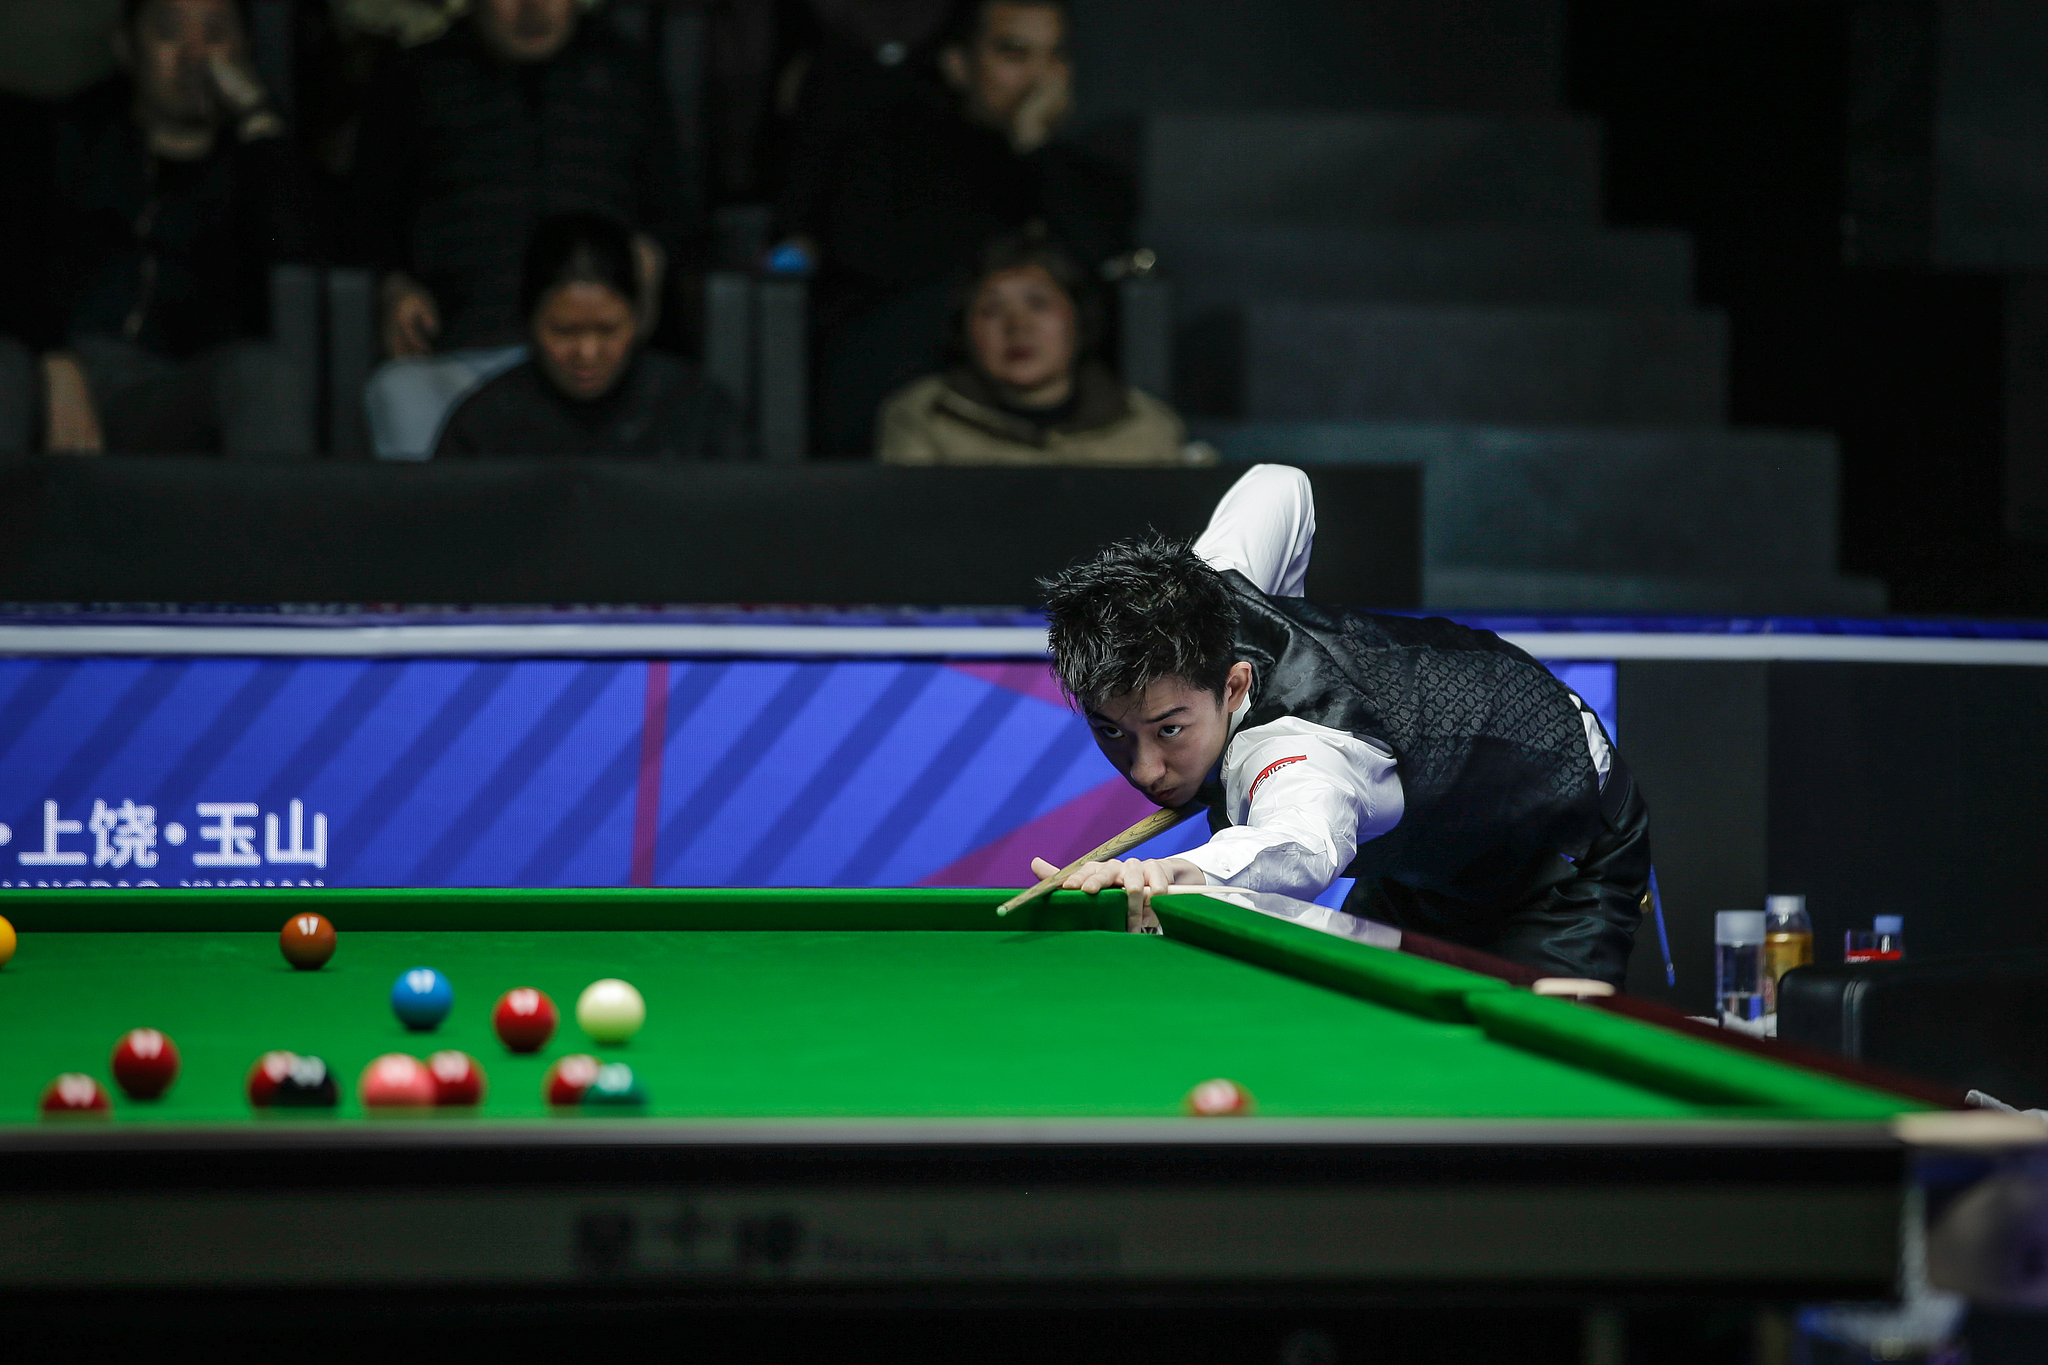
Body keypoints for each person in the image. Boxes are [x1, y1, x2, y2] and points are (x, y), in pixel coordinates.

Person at [1031, 465, 1650, 986]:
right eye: (1113, 732)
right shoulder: (1201, 600)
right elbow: (1280, 484)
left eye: (1169, 730)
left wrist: (1177, 872)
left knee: (1530, 1097)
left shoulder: (1305, 752)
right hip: (1427, 852)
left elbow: (1301, 843)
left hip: (1559, 840)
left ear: (1236, 685)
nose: (1145, 770)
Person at [344, 0, 694, 458]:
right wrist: (393, 285)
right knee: (401, 393)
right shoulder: (420, 76)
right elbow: (367, 216)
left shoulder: (625, 70)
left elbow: (677, 214)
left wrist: (649, 262)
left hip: (602, 363)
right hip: (465, 350)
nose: (533, 10)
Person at [781, 0, 1133, 454]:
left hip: (1051, 409)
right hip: (911, 386)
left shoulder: (1080, 176)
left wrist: (1031, 147)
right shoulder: (890, 153)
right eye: (1015, 53)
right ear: (959, 65)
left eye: (1054, 56)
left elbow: (1106, 263)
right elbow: (878, 259)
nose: (1040, 78)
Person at [5, 0, 316, 457]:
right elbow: (15, 256)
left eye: (215, 34)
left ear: (245, 49)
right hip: (44, 370)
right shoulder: (62, 137)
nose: (195, 54)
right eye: (170, 33)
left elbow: (299, 252)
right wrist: (55, 358)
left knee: (261, 375)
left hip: (169, 389)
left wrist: (258, 115)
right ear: (127, 46)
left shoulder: (256, 163)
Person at [436, 213, 750, 460]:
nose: (587, 352)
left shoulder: (698, 411)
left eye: (608, 329)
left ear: (638, 318)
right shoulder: (484, 425)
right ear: (529, 322)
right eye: (564, 331)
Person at [877, 233, 1196, 466]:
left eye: (1038, 304)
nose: (1018, 327)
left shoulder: (1149, 427)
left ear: (1079, 318)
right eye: (991, 310)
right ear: (965, 328)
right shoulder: (920, 418)